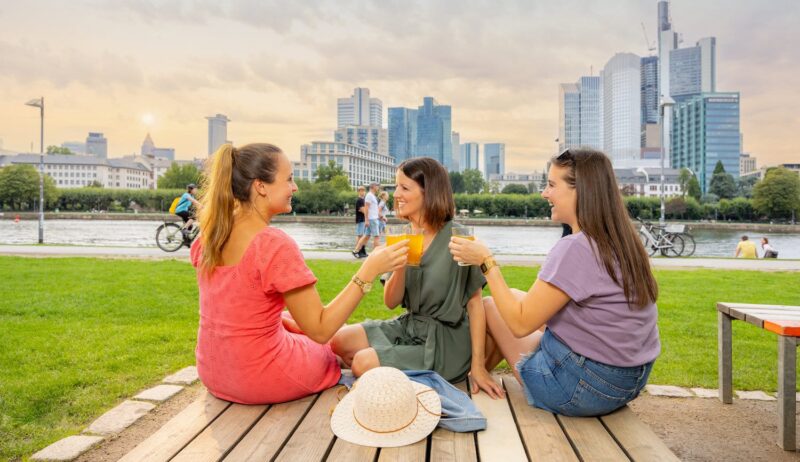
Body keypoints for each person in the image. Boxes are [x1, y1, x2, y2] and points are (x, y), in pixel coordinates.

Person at [190, 143, 408, 405]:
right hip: (260, 378)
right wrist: (369, 270)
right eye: (289, 179)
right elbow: (321, 330)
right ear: (261, 186)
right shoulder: (272, 244)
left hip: (214, 373)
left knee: (294, 325)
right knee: (331, 347)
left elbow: (238, 307)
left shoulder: (209, 237)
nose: (295, 187)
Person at [449, 148, 660, 416]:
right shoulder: (622, 241)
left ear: (581, 190)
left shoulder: (576, 248)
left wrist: (486, 261)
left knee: (491, 306)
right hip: (630, 380)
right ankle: (478, 373)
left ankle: (473, 379)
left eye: (551, 185)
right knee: (511, 296)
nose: (544, 193)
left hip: (587, 388)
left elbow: (520, 324)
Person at [331, 157, 504, 398]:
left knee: (361, 363)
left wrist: (478, 366)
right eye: (396, 187)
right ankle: (400, 361)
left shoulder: (458, 236)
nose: (395, 195)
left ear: (428, 192)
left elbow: (475, 304)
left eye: (404, 188)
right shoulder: (403, 234)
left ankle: (416, 366)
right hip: (409, 325)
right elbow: (391, 302)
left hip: (445, 339)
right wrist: (400, 265)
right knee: (339, 341)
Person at [355, 182, 381, 256]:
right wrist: (366, 219)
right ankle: (376, 254)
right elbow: (366, 208)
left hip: (372, 218)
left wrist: (380, 216)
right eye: (377, 186)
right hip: (371, 219)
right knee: (376, 236)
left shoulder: (372, 196)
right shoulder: (369, 196)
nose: (378, 187)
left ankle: (357, 250)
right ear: (373, 186)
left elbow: (373, 209)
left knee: (366, 236)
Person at [352, 186, 368, 258]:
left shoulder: (363, 200)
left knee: (363, 236)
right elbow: (363, 210)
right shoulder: (359, 200)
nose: (363, 192)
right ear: (358, 192)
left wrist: (365, 210)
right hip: (361, 220)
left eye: (364, 191)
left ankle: (362, 250)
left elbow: (365, 210)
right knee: (360, 236)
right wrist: (365, 210)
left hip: (363, 220)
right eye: (361, 191)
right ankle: (357, 250)